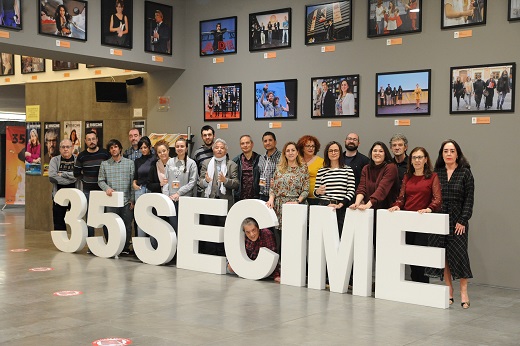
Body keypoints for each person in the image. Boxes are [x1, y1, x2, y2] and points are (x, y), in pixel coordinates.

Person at [426, 140, 474, 309]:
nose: (448, 154)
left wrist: (463, 220)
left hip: (457, 220)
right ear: (441, 154)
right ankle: (449, 290)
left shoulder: (465, 173)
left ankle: (463, 290)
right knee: (444, 255)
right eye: (445, 151)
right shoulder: (435, 173)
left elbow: (469, 199)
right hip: (439, 219)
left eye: (452, 151)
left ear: (457, 154)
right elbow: (430, 196)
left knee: (459, 255)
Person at [389, 147, 442, 283]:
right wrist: (397, 205)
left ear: (425, 160)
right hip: (407, 221)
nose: (417, 160)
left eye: (420, 157)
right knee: (410, 256)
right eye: (414, 158)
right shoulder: (407, 177)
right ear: (411, 161)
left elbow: (437, 199)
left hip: (423, 222)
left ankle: (423, 284)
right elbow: (402, 197)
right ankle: (414, 284)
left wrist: (430, 209)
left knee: (421, 256)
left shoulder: (432, 177)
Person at [349, 142, 399, 245]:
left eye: (381, 151)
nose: (377, 153)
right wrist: (357, 203)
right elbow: (362, 187)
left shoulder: (391, 167)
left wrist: (367, 205)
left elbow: (382, 189)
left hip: (386, 211)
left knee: (384, 245)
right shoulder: (366, 168)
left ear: (385, 154)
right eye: (375, 151)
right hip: (370, 212)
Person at [199, 138, 239, 256]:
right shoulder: (206, 163)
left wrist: (225, 180)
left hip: (225, 203)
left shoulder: (232, 165)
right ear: (213, 149)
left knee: (223, 230)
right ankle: (210, 254)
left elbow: (236, 184)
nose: (219, 150)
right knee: (209, 229)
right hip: (209, 201)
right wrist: (206, 181)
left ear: (226, 150)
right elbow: (200, 182)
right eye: (217, 147)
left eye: (222, 148)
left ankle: (222, 254)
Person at [266, 142, 309, 249]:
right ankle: (281, 263)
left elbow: (306, 189)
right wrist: (271, 199)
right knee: (279, 240)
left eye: (293, 150)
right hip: (279, 207)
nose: (290, 153)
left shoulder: (303, 168)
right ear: (284, 153)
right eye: (288, 150)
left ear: (297, 152)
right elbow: (273, 187)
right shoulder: (279, 168)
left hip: (295, 206)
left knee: (294, 240)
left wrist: (297, 202)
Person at [98, 139, 135, 256]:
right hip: (111, 201)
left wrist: (132, 199)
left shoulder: (129, 163)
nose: (114, 149)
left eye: (116, 147)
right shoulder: (105, 164)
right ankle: (110, 245)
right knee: (109, 224)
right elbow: (100, 180)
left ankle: (124, 248)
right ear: (109, 150)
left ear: (120, 148)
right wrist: (106, 188)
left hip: (126, 200)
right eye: (111, 148)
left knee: (127, 225)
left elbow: (133, 183)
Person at [74, 131, 110, 245]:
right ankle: (91, 245)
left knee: (106, 217)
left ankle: (109, 243)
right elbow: (76, 173)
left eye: (93, 139)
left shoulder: (105, 153)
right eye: (89, 139)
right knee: (90, 218)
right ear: (85, 141)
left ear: (97, 139)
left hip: (104, 191)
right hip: (88, 191)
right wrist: (85, 180)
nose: (91, 141)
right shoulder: (82, 155)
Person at [314, 141, 355, 235]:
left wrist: (341, 204)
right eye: (330, 151)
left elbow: (351, 191)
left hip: (341, 208)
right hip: (325, 206)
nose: (333, 153)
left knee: (341, 235)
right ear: (327, 153)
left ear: (340, 152)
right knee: (324, 236)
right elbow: (315, 193)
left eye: (336, 150)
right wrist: (318, 191)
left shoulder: (347, 170)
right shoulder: (322, 170)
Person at [227, 217, 281, 283]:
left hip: (262, 268)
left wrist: (276, 275)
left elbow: (272, 257)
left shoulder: (267, 234)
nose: (251, 234)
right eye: (248, 232)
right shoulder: (242, 237)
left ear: (258, 228)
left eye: (253, 230)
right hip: (249, 267)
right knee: (230, 268)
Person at [164, 137, 198, 232]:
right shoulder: (170, 162)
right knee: (173, 227)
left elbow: (192, 182)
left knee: (184, 228)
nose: (179, 148)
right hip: (171, 200)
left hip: (185, 199)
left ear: (186, 148)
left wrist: (178, 193)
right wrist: (167, 197)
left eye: (182, 146)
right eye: (177, 146)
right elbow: (165, 181)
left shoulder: (192, 163)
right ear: (174, 148)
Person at [48, 139, 80, 231]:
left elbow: (79, 175)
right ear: (60, 149)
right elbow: (52, 177)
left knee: (76, 222)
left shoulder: (77, 160)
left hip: (75, 197)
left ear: (72, 148)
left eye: (68, 147)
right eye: (63, 147)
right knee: (58, 222)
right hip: (58, 197)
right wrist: (71, 178)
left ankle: (75, 243)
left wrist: (62, 174)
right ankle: (61, 244)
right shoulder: (54, 160)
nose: (66, 149)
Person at [132, 136, 155, 239]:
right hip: (140, 190)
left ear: (150, 147)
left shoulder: (155, 159)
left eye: (145, 147)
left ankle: (152, 242)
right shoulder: (137, 161)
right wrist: (134, 182)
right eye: (141, 148)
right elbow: (136, 176)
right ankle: (140, 243)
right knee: (140, 216)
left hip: (151, 190)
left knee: (151, 217)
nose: (143, 150)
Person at [296, 135, 323, 206]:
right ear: (302, 148)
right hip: (299, 198)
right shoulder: (297, 161)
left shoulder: (321, 161)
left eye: (313, 146)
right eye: (308, 146)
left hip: (316, 199)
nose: (311, 148)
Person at [232, 135, 260, 202]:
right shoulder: (236, 161)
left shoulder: (260, 159)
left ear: (252, 144)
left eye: (247, 143)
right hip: (240, 197)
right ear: (240, 145)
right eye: (242, 143)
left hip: (256, 197)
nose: (245, 145)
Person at [257, 131, 281, 202]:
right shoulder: (261, 158)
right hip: (262, 194)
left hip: (275, 195)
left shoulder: (282, 157)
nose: (267, 143)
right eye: (265, 141)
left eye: (270, 140)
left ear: (275, 142)